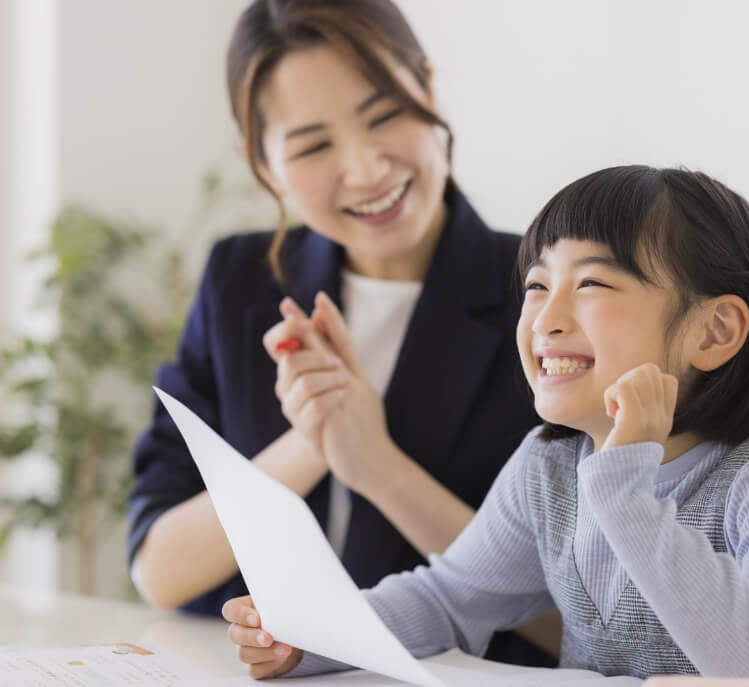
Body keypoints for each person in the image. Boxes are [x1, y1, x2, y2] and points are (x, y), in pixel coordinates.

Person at [223, 165, 749, 679]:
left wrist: (627, 492)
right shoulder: (551, 467)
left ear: (714, 330)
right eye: (537, 285)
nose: (546, 317)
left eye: (592, 284)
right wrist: (309, 633)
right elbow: (449, 597)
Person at [126, 0, 558, 666]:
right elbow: (160, 568)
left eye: (385, 115)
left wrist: (377, 466)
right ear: (264, 163)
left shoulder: (545, 291)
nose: (365, 169)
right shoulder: (239, 282)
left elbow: (589, 618)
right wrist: (311, 443)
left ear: (429, 89)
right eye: (314, 145)